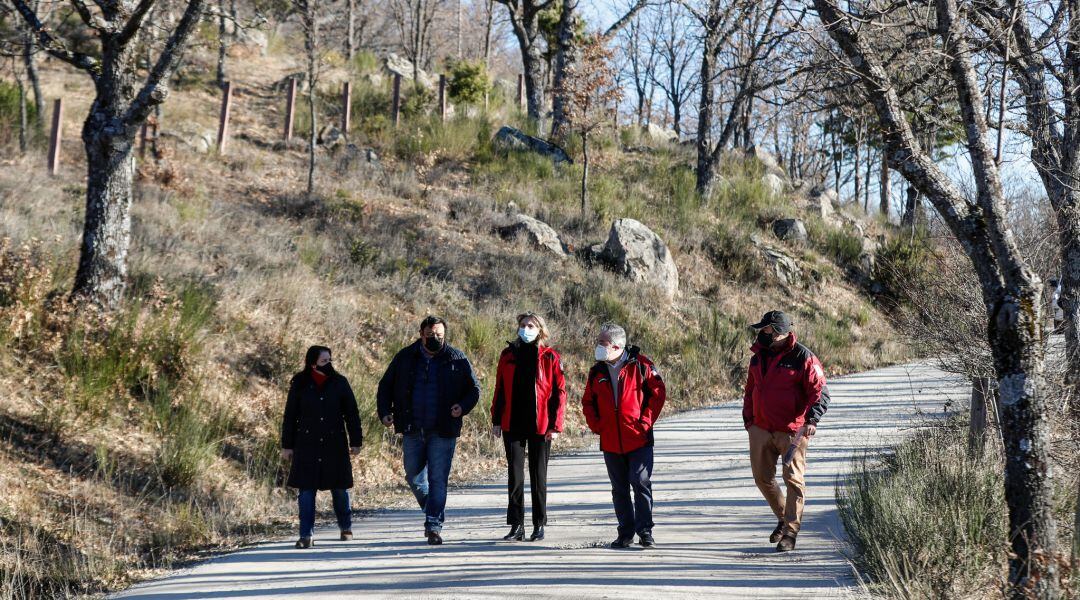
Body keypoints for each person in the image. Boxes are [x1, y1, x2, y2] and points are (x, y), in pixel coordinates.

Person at [377, 316, 481, 545]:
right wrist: (384, 411)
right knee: (413, 476)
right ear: (421, 334)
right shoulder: (405, 357)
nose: (436, 339)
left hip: (443, 430)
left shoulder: (457, 358)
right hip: (412, 427)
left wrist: (462, 407)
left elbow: (474, 389)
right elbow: (385, 385)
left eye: (440, 336)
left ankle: (433, 525)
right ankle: (432, 507)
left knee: (438, 479)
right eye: (431, 335)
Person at [742, 310, 830, 552]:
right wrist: (749, 421)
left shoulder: (804, 357)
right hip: (760, 428)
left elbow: (820, 393)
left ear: (778, 332)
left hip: (792, 431)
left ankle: (790, 532)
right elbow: (750, 390)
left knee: (793, 481)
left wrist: (812, 420)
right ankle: (783, 517)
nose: (761, 333)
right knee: (762, 478)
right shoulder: (758, 357)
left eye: (766, 330)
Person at [581, 322, 666, 549]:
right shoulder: (596, 371)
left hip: (638, 438)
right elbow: (588, 402)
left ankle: (645, 532)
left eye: (603, 343)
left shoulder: (641, 365)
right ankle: (625, 533)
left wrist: (645, 422)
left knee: (640, 483)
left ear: (617, 346)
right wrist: (597, 425)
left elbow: (658, 394)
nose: (598, 346)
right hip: (610, 441)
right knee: (619, 489)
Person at [491, 312, 567, 542]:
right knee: (515, 476)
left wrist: (555, 425)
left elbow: (560, 394)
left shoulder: (551, 357)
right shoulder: (507, 355)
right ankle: (516, 525)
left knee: (538, 475)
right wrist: (496, 420)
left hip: (540, 425)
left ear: (540, 330)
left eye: (530, 325)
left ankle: (538, 524)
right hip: (512, 423)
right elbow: (500, 389)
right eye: (522, 325)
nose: (525, 329)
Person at [281, 345, 363, 549]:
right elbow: (290, 416)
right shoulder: (299, 384)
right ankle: (306, 535)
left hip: (334, 445)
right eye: (324, 361)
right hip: (306, 445)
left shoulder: (340, 383)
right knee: (306, 492)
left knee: (340, 490)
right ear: (313, 363)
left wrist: (356, 441)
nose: (329, 364)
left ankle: (346, 527)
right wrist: (287, 445)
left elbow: (351, 414)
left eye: (330, 360)